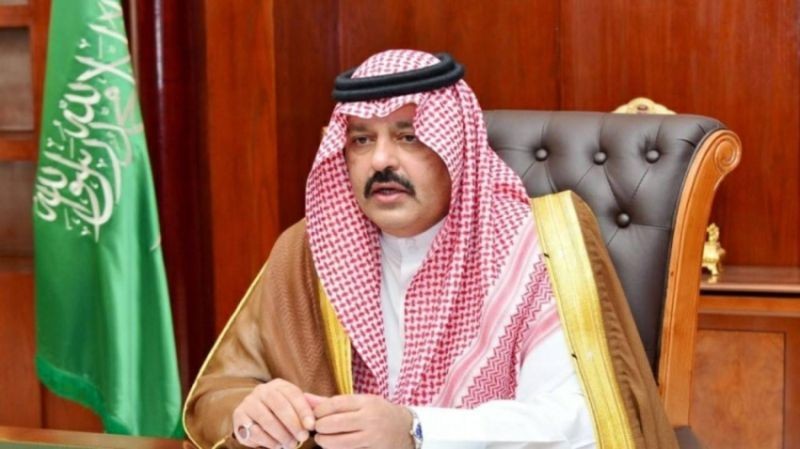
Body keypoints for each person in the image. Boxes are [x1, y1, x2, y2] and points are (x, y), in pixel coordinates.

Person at [183, 50, 678, 449]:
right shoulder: (310, 251)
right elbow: (217, 396)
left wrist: (416, 431)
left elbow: (575, 423)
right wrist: (251, 414)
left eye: (409, 137)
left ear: (455, 146)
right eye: (361, 140)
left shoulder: (540, 247)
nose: (380, 160)